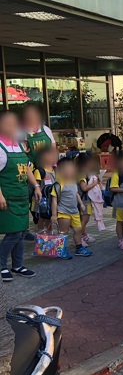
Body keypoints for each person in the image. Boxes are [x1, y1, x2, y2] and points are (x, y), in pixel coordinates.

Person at [0, 111, 41, 281]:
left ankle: (17, 265)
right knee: (14, 233)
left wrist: (36, 186)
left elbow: (27, 168)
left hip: (22, 197)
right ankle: (2, 265)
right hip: (7, 198)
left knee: (22, 232)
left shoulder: (17, 144)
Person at [50, 157, 92, 258]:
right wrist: (54, 215)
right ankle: (61, 250)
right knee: (64, 232)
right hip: (63, 212)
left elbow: (76, 193)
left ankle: (79, 248)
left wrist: (81, 204)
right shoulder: (58, 184)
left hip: (74, 212)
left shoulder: (73, 182)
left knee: (78, 230)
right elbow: (54, 201)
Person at [76, 153, 101, 246]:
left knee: (83, 219)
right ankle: (79, 238)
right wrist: (94, 183)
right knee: (84, 220)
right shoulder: (81, 174)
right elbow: (84, 188)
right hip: (84, 200)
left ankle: (83, 235)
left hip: (84, 199)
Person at [31, 145, 57, 232]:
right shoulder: (40, 171)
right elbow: (36, 186)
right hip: (41, 200)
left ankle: (49, 234)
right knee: (41, 217)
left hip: (51, 199)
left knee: (49, 217)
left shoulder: (55, 170)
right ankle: (40, 232)